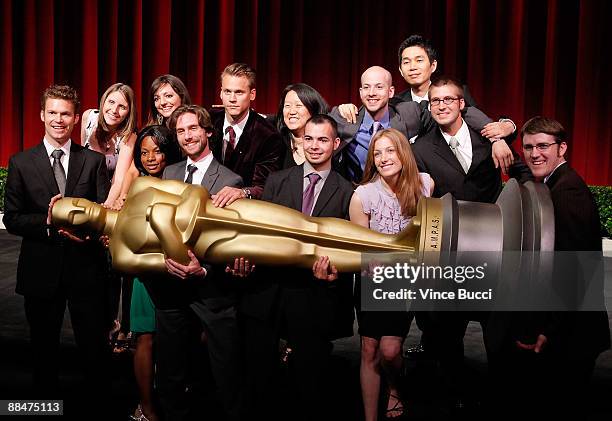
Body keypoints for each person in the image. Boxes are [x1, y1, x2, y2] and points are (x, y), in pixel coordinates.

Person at [411, 76, 531, 413]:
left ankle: (502, 400)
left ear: (463, 104)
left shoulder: (489, 140)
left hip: (494, 253)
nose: (442, 106)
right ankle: (455, 398)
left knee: (498, 334)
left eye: (449, 99)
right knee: (447, 336)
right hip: (451, 258)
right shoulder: (420, 149)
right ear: (429, 106)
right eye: (436, 101)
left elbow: (522, 175)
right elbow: (422, 201)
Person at [487, 117, 610, 419]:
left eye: (543, 146)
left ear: (562, 147)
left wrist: (548, 330)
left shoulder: (567, 194)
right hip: (565, 328)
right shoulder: (552, 184)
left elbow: (574, 271)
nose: (534, 154)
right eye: (528, 147)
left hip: (570, 333)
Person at [239, 114, 355, 421]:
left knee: (309, 384)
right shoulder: (278, 181)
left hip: (313, 295)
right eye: (309, 139)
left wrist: (332, 275)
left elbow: (347, 247)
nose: (314, 146)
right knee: (260, 379)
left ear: (336, 144)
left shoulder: (347, 191)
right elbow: (260, 233)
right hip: (268, 293)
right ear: (300, 143)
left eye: (322, 139)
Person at [3, 85, 111, 407]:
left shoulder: (92, 161)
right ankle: (45, 407)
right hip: (40, 272)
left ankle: (97, 409)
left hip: (86, 271)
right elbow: (12, 218)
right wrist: (47, 223)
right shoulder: (20, 162)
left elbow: (102, 214)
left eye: (65, 113)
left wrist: (91, 233)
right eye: (53, 112)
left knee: (94, 352)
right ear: (42, 115)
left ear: (76, 119)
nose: (58, 119)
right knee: (43, 354)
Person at [155, 105, 244, 421]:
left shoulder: (232, 180)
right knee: (171, 371)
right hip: (172, 287)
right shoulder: (169, 173)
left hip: (213, 289)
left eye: (193, 128)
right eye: (180, 131)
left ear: (208, 132)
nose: (187, 136)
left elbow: (232, 240)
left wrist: (205, 269)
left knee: (226, 371)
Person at [338, 35, 519, 175]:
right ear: (400, 71)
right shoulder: (395, 103)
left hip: (453, 173)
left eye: (419, 60)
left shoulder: (452, 93)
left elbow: (470, 114)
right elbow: (368, 112)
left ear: (432, 65)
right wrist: (346, 108)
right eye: (406, 62)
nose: (413, 67)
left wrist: (501, 133)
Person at [350, 128, 433, 420]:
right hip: (373, 280)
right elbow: (359, 249)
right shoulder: (363, 195)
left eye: (390, 150)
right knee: (370, 348)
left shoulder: (424, 185)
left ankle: (395, 387)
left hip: (406, 279)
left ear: (403, 153)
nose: (384, 158)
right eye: (377, 152)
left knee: (390, 349)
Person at [330, 66, 495, 183]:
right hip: (355, 194)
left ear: (391, 91)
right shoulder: (344, 117)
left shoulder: (409, 113)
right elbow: (313, 127)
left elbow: (455, 111)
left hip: (400, 196)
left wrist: (497, 133)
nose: (372, 93)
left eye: (379, 87)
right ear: (360, 92)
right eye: (366, 87)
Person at [129, 125, 182, 421]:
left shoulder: (180, 179)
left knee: (180, 336)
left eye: (158, 150)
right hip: (145, 269)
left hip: (176, 268)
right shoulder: (136, 184)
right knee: (145, 336)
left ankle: (176, 397)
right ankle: (145, 406)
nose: (151, 158)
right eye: (144, 152)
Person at [209, 63, 285, 205]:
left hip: (243, 210)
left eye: (239, 92)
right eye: (227, 92)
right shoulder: (208, 121)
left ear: (252, 94)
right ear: (220, 93)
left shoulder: (268, 136)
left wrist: (243, 192)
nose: (232, 99)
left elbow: (265, 187)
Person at [80, 82, 138, 209]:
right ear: (103, 101)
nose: (114, 110)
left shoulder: (128, 137)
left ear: (129, 112)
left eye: (122, 106)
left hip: (107, 195)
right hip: (83, 190)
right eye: (111, 102)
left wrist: (106, 206)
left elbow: (118, 181)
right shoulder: (88, 117)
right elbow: (81, 159)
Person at [274, 83, 330, 168]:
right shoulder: (277, 143)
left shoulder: (327, 143)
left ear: (313, 109)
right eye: (287, 106)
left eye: (298, 105)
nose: (292, 112)